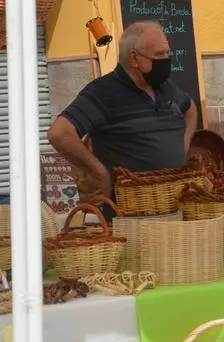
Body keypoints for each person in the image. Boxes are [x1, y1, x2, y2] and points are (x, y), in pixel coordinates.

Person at [47, 21, 198, 215]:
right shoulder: (103, 92)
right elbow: (59, 134)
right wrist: (99, 172)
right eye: (159, 55)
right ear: (134, 58)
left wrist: (183, 145)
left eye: (167, 53)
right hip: (130, 213)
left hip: (172, 205)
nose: (166, 60)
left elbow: (190, 108)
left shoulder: (165, 87)